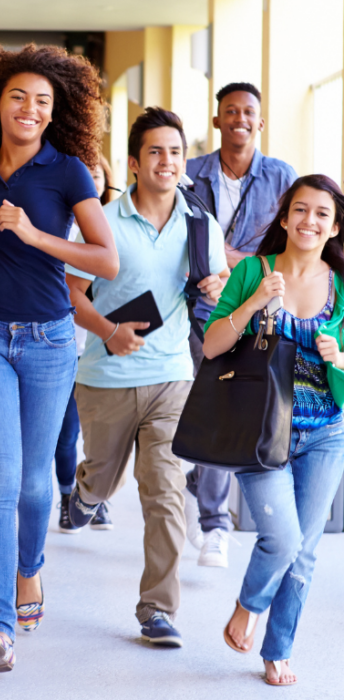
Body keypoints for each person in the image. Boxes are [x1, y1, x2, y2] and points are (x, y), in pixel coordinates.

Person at [0, 44, 119, 672]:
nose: (30, 108)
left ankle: (30, 569)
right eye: (18, 97)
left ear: (55, 110)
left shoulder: (69, 173)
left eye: (43, 100)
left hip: (48, 339)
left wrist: (35, 234)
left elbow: (106, 260)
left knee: (37, 482)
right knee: (0, 479)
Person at [66, 107, 229, 648]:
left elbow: (218, 276)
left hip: (171, 375)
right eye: (155, 152)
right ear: (133, 163)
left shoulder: (199, 220)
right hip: (105, 376)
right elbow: (70, 294)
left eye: (176, 152)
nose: (167, 161)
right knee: (103, 476)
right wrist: (109, 331)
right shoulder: (102, 222)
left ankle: (157, 609)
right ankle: (86, 494)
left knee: (163, 492)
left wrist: (214, 287)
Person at [203, 174, 344, 687]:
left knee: (305, 549)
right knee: (282, 539)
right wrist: (254, 302)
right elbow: (212, 346)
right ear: (284, 218)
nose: (310, 221)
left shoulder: (342, 285)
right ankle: (248, 604)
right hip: (258, 429)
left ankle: (278, 647)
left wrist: (340, 359)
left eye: (322, 213)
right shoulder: (254, 272)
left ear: (334, 226)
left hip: (327, 431)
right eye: (300, 210)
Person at [184, 82, 298, 567]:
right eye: (230, 111)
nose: (239, 118)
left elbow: (289, 242)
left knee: (224, 404)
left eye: (248, 112)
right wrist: (204, 270)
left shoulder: (281, 176)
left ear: (260, 122)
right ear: (217, 121)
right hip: (195, 308)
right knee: (204, 402)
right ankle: (201, 483)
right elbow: (178, 235)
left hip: (252, 308)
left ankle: (214, 525)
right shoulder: (191, 174)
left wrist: (232, 261)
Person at [58, 154, 115, 533]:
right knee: (67, 432)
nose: (89, 180)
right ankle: (68, 495)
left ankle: (94, 493)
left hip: (105, 347)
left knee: (102, 433)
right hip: (65, 343)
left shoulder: (118, 227)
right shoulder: (57, 222)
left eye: (96, 174)